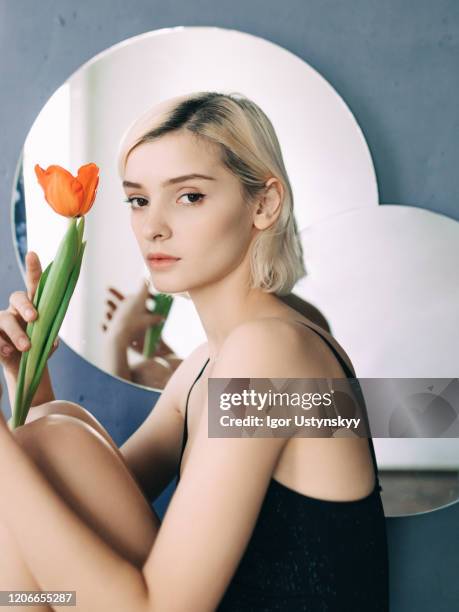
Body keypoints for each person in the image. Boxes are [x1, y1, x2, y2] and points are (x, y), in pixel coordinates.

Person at [0, 91, 389, 611]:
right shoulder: (208, 362)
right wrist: (27, 373)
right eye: (139, 200)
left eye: (189, 197)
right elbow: (75, 502)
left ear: (264, 203)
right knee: (56, 428)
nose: (153, 225)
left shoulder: (272, 351)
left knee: (54, 436)